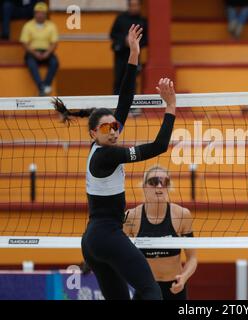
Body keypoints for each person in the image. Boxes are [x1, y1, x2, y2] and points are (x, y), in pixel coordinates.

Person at [53, 24, 177, 300]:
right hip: (106, 236)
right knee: (150, 291)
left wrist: (133, 53)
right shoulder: (108, 154)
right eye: (107, 128)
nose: (114, 130)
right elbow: (159, 146)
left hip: (93, 241)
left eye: (115, 126)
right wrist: (170, 108)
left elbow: (125, 98)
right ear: (93, 133)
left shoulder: (101, 145)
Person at [124, 165, 197, 300]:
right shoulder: (130, 217)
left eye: (165, 182)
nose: (159, 186)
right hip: (145, 288)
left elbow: (192, 258)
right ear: (144, 186)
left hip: (175, 287)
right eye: (153, 181)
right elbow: (118, 253)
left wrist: (184, 277)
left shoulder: (182, 215)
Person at [19, 1, 58, 96]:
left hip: (47, 52)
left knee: (54, 62)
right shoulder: (28, 25)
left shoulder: (51, 26)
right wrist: (34, 53)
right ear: (34, 14)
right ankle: (41, 86)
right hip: (32, 52)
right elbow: (24, 43)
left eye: (42, 13)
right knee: (31, 63)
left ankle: (46, 85)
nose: (40, 15)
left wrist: (47, 53)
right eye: (38, 13)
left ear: (46, 14)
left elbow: (54, 43)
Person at [110, 0, 147, 95]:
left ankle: (132, 105)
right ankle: (116, 104)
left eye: (136, 5)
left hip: (134, 55)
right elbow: (113, 34)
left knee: (132, 79)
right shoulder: (120, 19)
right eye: (132, 5)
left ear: (139, 6)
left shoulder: (142, 21)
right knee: (118, 79)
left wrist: (134, 43)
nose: (134, 8)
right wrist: (124, 41)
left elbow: (146, 40)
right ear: (128, 6)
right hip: (120, 55)